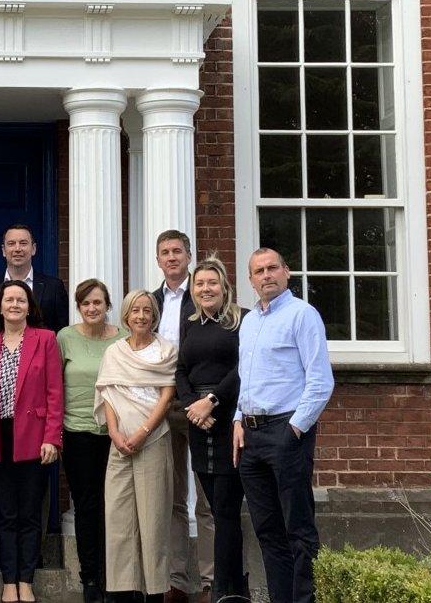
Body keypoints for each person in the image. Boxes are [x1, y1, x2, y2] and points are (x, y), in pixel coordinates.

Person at [232, 249, 334, 603]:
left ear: (286, 272)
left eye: (272, 268)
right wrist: (236, 420)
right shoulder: (249, 322)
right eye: (258, 271)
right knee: (267, 531)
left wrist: (294, 429)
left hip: (286, 431)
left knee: (298, 530)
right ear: (250, 280)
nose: (266, 275)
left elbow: (320, 381)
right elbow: (246, 379)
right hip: (251, 435)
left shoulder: (302, 315)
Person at [0, 280, 63, 603]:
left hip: (34, 436)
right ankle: (8, 580)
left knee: (29, 513)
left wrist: (52, 438)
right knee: (5, 514)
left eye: (21, 300)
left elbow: (55, 392)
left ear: (30, 306)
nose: (14, 305)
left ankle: (26, 580)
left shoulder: (45, 339)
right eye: (9, 299)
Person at [94, 289, 177, 603]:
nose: (141, 316)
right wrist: (114, 433)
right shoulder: (114, 352)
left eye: (146, 310)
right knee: (118, 519)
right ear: (125, 316)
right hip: (120, 444)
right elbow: (108, 393)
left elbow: (167, 396)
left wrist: (143, 431)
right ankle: (121, 591)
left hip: (153, 439)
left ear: (153, 315)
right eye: (135, 311)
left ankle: (155, 591)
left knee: (153, 519)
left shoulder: (165, 351)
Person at [175, 258, 249, 603]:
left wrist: (212, 401)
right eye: (200, 283)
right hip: (198, 422)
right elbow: (181, 370)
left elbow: (243, 368)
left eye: (212, 283)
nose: (206, 289)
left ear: (224, 287)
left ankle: (225, 587)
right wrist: (193, 405)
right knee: (214, 507)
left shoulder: (241, 320)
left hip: (227, 418)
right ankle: (232, 586)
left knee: (225, 508)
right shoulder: (189, 324)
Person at [151, 230, 214, 603]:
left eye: (177, 251)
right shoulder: (152, 301)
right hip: (165, 406)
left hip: (202, 407)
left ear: (189, 255)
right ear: (158, 260)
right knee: (172, 498)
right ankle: (176, 581)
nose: (171, 258)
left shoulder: (205, 292)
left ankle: (209, 581)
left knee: (206, 499)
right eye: (165, 253)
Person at [56, 279, 128, 603]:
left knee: (116, 508)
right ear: (79, 306)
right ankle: (90, 580)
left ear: (107, 305)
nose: (92, 308)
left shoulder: (124, 338)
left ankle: (115, 578)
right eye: (86, 303)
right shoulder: (65, 338)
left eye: (98, 302)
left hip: (117, 435)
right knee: (86, 507)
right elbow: (54, 387)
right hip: (78, 433)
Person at [0, 224, 70, 334]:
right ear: (3, 250)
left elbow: (61, 331)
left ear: (33, 249)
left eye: (23, 243)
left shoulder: (54, 287)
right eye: (11, 244)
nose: (17, 249)